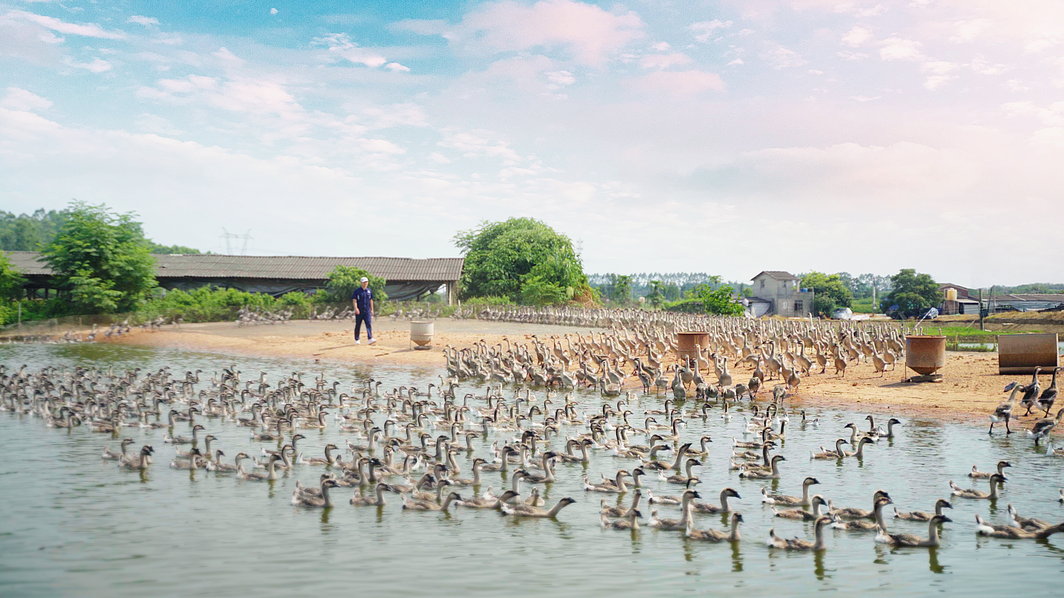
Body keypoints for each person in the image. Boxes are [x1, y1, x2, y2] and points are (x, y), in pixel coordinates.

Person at [351, 277, 375, 345]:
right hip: (359, 311)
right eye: (364, 282)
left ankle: (370, 338)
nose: (365, 284)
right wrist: (356, 308)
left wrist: (372, 309)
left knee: (368, 324)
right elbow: (354, 300)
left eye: (366, 282)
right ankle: (357, 339)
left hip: (367, 311)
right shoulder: (357, 291)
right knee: (358, 324)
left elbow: (371, 300)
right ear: (361, 283)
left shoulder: (369, 291)